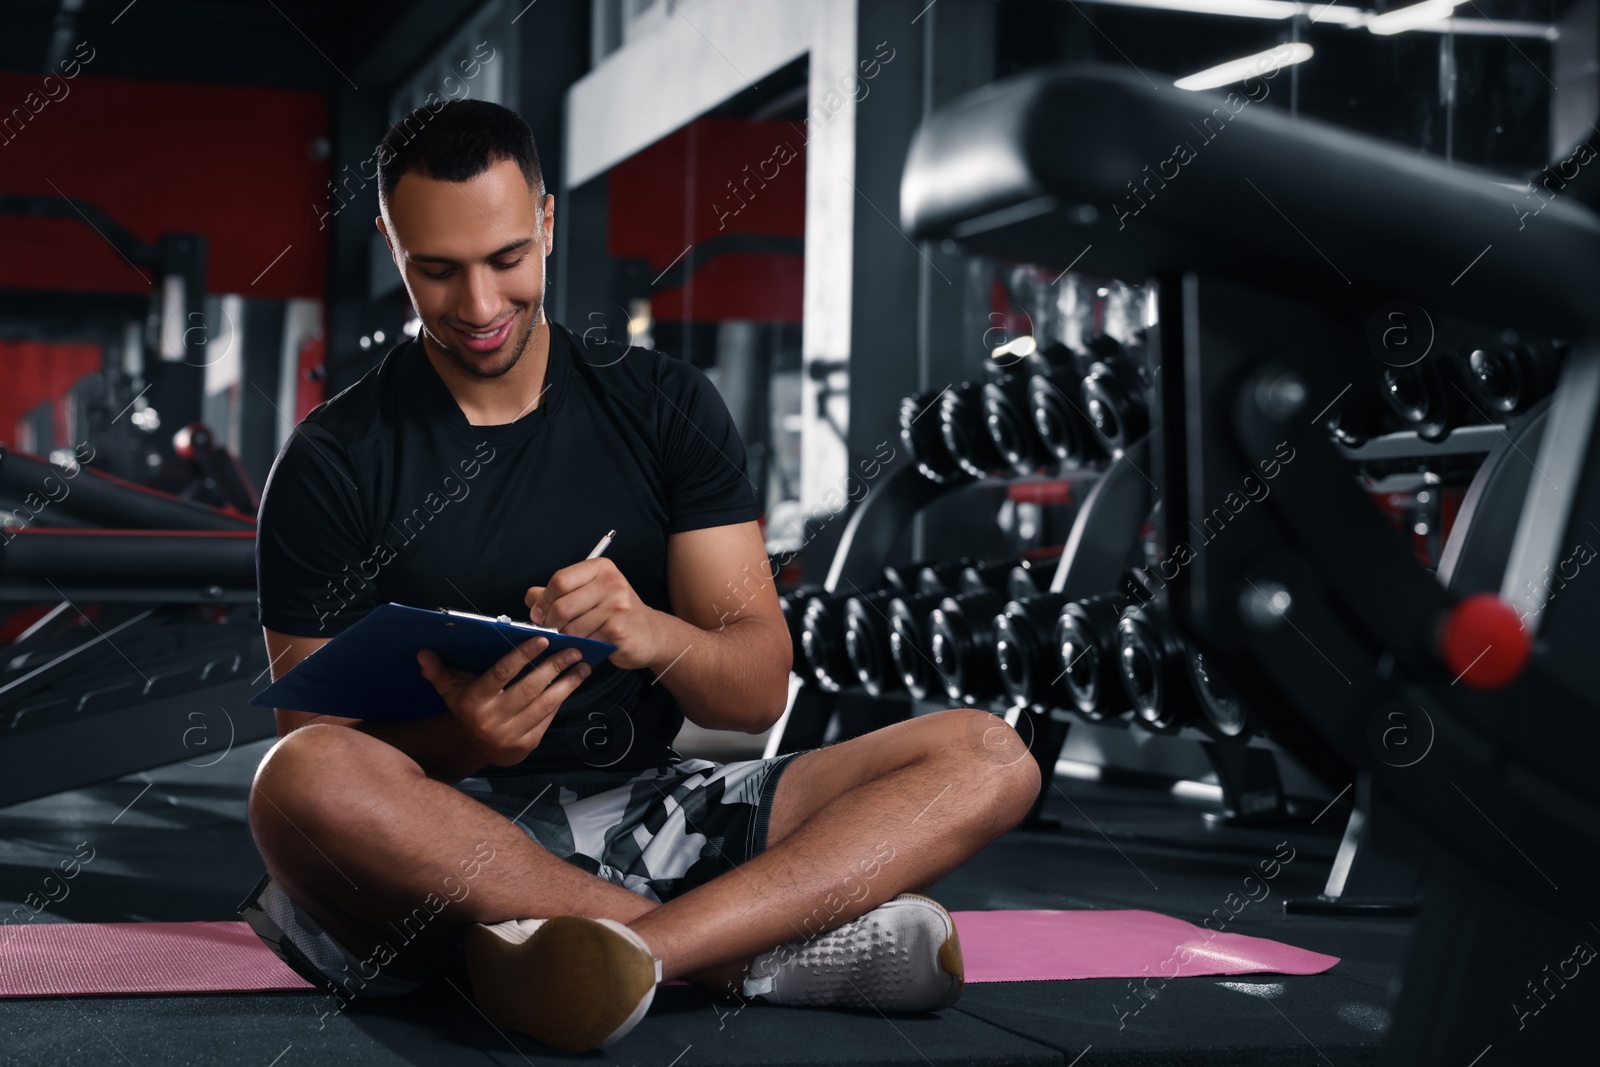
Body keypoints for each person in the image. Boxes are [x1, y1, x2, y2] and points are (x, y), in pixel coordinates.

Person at [241, 98, 1040, 1053]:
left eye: (505, 259)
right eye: (437, 271)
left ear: (544, 221)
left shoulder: (665, 406)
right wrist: (464, 740)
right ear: (391, 242)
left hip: (661, 814)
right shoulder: (332, 461)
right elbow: (319, 745)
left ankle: (628, 951)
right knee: (297, 780)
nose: (482, 306)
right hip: (444, 833)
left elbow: (752, 694)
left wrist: (652, 631)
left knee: (990, 754)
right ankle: (754, 953)